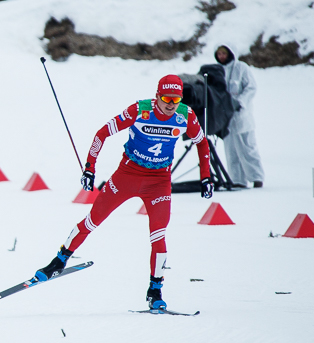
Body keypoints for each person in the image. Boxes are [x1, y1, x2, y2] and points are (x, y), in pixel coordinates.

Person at [32, 75, 212, 312]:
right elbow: (102, 133)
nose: (171, 104)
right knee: (92, 220)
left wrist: (206, 176)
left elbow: (202, 142)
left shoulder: (185, 115)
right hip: (127, 176)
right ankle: (59, 260)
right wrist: (89, 168)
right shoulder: (139, 111)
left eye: (176, 99)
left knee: (158, 235)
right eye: (167, 98)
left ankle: (155, 291)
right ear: (157, 96)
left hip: (159, 182)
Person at [213, 44, 264, 188]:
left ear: (230, 53)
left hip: (241, 118)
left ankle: (256, 177)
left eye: (224, 53)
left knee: (247, 148)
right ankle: (237, 180)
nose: (221, 56)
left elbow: (251, 87)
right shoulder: (217, 71)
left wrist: (240, 102)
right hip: (226, 119)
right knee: (231, 152)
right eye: (219, 54)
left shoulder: (241, 68)